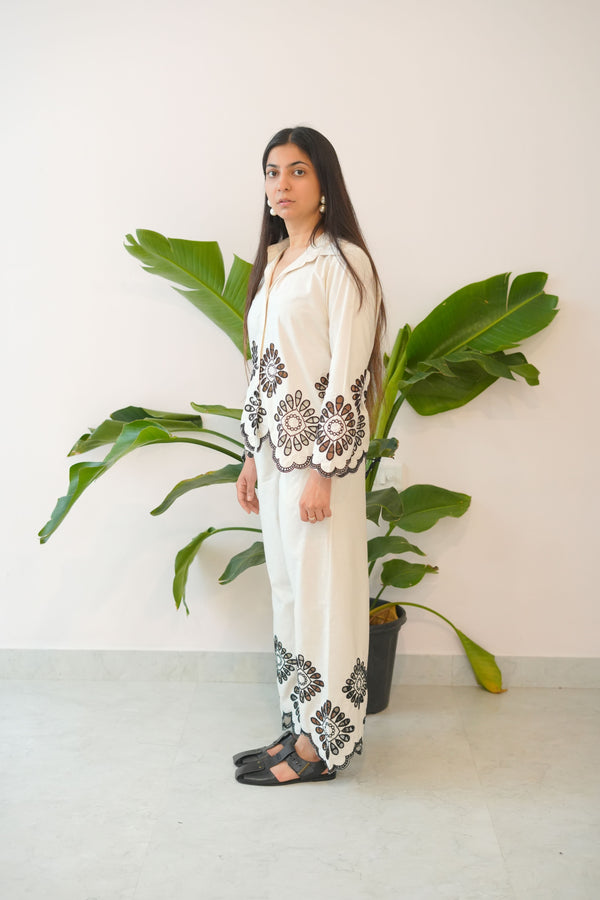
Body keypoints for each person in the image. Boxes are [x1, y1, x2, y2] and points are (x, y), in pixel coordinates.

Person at [233, 126, 386, 786]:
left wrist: (325, 470)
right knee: (290, 592)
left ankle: (323, 746)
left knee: (323, 596)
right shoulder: (272, 263)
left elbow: (350, 374)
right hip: (275, 461)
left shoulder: (343, 263)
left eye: (297, 170)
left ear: (324, 182)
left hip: (321, 466)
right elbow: (262, 370)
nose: (282, 184)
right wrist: (250, 455)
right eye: (272, 172)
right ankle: (298, 726)